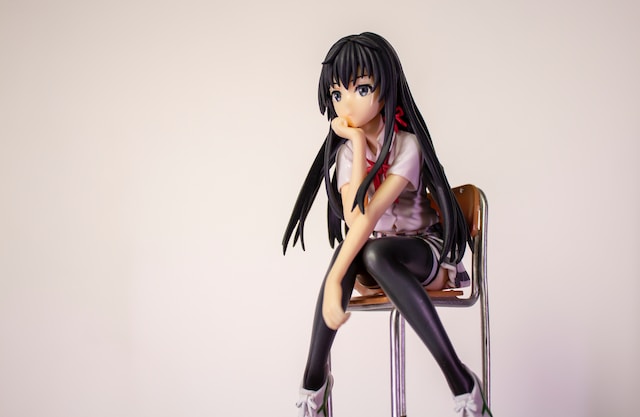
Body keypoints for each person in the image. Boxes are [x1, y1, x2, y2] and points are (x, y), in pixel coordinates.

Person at [282, 32, 493, 417]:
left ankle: (462, 384)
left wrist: (334, 280)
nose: (346, 103)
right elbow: (354, 219)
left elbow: (368, 218)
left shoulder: (407, 146)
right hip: (376, 261)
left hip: (424, 256)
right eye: (336, 94)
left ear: (386, 90)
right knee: (365, 251)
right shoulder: (349, 153)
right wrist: (357, 143)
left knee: (371, 251)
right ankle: (314, 384)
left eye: (361, 89)